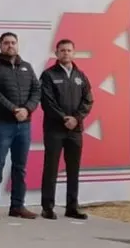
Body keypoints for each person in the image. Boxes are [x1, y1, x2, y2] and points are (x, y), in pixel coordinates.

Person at [0, 32, 41, 220]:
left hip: (24, 125)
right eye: (6, 43)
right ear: (0, 46)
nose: (10, 46)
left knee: (20, 167)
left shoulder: (27, 67)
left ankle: (17, 206)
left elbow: (36, 90)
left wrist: (27, 109)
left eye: (13, 42)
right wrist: (15, 109)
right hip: (1, 124)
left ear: (18, 45)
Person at [38, 39, 93, 220]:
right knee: (51, 168)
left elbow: (88, 100)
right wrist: (63, 118)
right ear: (57, 53)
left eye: (69, 50)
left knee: (73, 168)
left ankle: (72, 207)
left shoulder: (80, 75)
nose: (66, 53)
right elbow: (47, 101)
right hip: (55, 129)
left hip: (75, 130)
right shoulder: (48, 75)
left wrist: (76, 119)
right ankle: (47, 207)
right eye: (62, 51)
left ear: (74, 53)